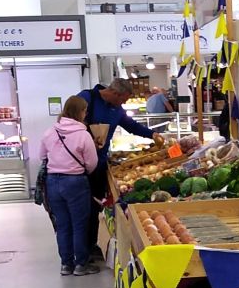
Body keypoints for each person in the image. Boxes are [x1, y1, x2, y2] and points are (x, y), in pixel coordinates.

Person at [77, 78, 156, 255]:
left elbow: (132, 126)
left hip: (99, 165)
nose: (124, 104)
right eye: (123, 99)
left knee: (95, 207)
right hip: (79, 166)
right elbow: (69, 120)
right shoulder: (87, 98)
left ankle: (90, 247)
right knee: (82, 209)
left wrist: (153, 134)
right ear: (114, 93)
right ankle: (80, 252)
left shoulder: (116, 109)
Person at [38, 95, 99, 277]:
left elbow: (42, 156)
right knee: (80, 225)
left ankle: (66, 264)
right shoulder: (83, 135)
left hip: (53, 182)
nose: (86, 113)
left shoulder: (50, 132)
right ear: (80, 112)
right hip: (75, 182)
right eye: (85, 110)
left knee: (62, 225)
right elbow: (92, 163)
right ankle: (81, 264)